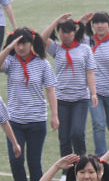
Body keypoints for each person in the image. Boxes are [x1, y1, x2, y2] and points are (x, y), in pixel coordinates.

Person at [0, 29, 58, 181]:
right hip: (14, 121)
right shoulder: (10, 61)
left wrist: (55, 116)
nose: (20, 48)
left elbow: (50, 90)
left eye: (24, 43)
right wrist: (9, 48)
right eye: (18, 44)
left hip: (37, 120)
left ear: (31, 43)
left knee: (34, 163)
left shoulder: (43, 63)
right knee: (16, 161)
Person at [41, 15, 97, 157]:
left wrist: (93, 93)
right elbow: (41, 40)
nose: (66, 35)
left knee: (77, 133)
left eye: (69, 32)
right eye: (62, 32)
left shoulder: (85, 49)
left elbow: (89, 72)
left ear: (75, 32)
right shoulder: (56, 49)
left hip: (80, 98)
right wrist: (55, 21)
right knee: (64, 137)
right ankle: (66, 169)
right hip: (61, 99)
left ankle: (82, 161)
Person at [81, 12, 109, 157]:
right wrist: (82, 20)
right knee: (98, 124)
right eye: (96, 23)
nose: (100, 26)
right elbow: (74, 32)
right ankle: (101, 155)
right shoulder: (86, 42)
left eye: (103, 22)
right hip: (94, 92)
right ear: (92, 25)